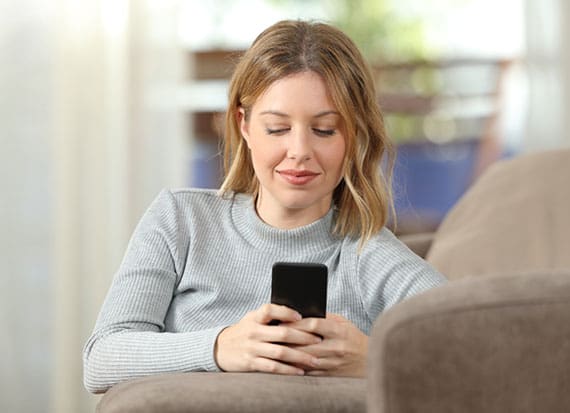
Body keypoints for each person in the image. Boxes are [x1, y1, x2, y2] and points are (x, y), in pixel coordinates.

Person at [83, 19, 447, 394]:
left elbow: (482, 354)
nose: (300, 152)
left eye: (324, 130)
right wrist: (221, 347)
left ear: (354, 136)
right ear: (244, 124)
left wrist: (376, 360)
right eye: (277, 128)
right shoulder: (181, 220)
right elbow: (102, 360)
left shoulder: (371, 257)